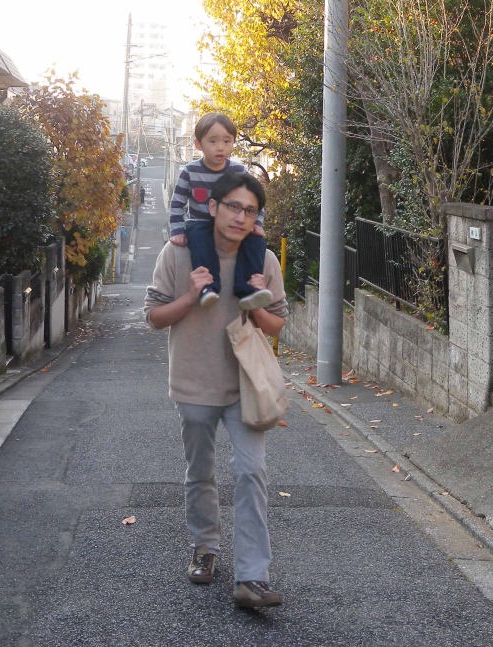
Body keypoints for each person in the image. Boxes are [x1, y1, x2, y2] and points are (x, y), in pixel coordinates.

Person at [145, 172, 288, 609]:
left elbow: (277, 325)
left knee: (251, 472)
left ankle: (252, 576)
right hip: (193, 381)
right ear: (213, 207)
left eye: (250, 211)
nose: (241, 217)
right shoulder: (178, 253)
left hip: (245, 384)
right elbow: (154, 317)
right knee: (200, 471)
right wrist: (191, 296)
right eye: (233, 207)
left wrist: (259, 304)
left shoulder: (263, 260)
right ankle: (205, 547)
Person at [168, 113, 273, 311]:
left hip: (232, 224)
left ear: (233, 142)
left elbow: (255, 199)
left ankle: (248, 288)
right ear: (198, 144)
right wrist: (178, 231)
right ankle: (208, 287)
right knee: (200, 243)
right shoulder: (189, 171)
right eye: (213, 141)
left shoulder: (238, 170)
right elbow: (177, 204)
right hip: (199, 223)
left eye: (227, 141)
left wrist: (257, 224)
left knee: (256, 242)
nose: (220, 147)